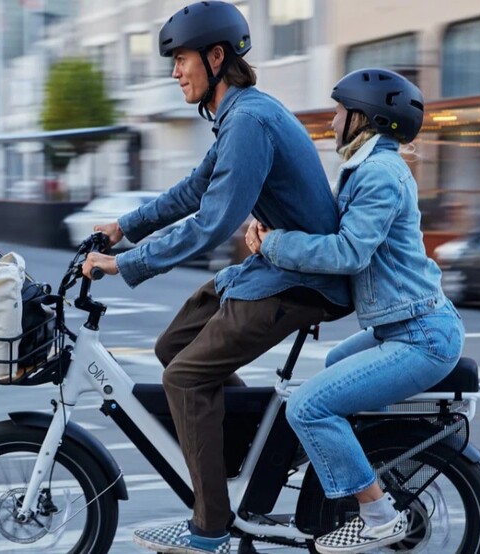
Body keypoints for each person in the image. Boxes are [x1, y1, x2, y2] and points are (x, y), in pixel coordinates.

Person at [81, 2, 350, 553]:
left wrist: (126, 263)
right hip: (272, 269)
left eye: (181, 59)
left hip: (301, 283)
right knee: (172, 345)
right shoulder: (238, 116)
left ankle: (212, 528)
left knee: (185, 379)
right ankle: (245, 452)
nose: (175, 71)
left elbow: (213, 223)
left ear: (216, 56)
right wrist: (121, 227)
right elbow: (192, 191)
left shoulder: (249, 121)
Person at [245, 68, 465, 554]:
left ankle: (378, 513)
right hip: (402, 326)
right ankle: (361, 472)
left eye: (341, 111)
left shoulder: (379, 175)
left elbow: (348, 252)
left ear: (365, 117)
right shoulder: (369, 168)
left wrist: (276, 245)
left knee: (307, 405)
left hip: (422, 336)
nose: (332, 122)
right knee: (333, 367)